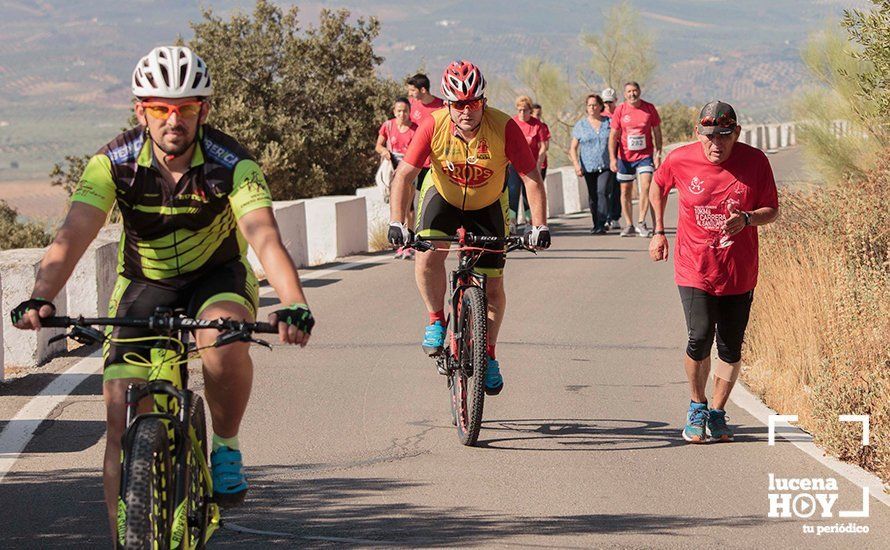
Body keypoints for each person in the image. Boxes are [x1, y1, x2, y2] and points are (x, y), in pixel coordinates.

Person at [10, 46, 316, 539]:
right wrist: (41, 296)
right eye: (160, 108)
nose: (173, 119)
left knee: (222, 338)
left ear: (204, 111)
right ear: (141, 111)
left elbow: (263, 235)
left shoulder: (233, 164)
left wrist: (294, 301)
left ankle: (228, 447)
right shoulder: (111, 164)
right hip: (145, 283)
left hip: (216, 278)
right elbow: (73, 235)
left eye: (186, 108)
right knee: (118, 418)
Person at [387, 60, 551, 396]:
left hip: (488, 203)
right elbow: (404, 176)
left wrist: (539, 226)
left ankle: (488, 354)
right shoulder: (433, 125)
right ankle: (436, 319)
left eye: (473, 103)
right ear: (448, 104)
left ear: (483, 102)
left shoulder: (504, 127)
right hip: (442, 197)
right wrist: (395, 222)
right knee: (429, 254)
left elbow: (531, 177)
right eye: (459, 104)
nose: (466, 111)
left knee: (493, 285)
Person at [649, 100, 779, 443]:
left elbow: (772, 210)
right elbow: (657, 186)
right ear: (697, 133)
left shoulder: (755, 161)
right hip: (695, 266)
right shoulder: (680, 158)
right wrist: (658, 230)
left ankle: (718, 413)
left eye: (723, 136)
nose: (715, 144)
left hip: (739, 269)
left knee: (731, 347)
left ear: (736, 133)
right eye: (708, 136)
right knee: (699, 335)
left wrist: (748, 218)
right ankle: (697, 405)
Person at [609, 81, 662, 238]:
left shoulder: (649, 108)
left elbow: (657, 131)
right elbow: (613, 136)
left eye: (635, 90)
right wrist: (612, 158)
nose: (632, 94)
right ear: (625, 94)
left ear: (639, 91)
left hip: (645, 156)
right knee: (625, 191)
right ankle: (629, 224)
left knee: (645, 186)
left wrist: (658, 153)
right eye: (629, 91)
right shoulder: (620, 110)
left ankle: (641, 222)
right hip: (625, 157)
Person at [376, 97, 418, 259]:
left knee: (408, 206)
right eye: (399, 111)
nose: (402, 114)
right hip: (393, 168)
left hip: (409, 168)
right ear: (394, 112)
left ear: (409, 112)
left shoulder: (415, 129)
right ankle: (399, 242)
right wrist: (385, 152)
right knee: (395, 206)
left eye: (405, 111)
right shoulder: (388, 126)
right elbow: (378, 145)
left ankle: (408, 242)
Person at [569, 94, 612, 234]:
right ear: (586, 108)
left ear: (600, 106)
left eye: (595, 105)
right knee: (593, 196)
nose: (592, 108)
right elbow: (573, 148)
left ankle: (602, 221)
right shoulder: (581, 125)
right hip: (588, 166)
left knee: (602, 191)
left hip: (606, 164)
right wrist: (576, 165)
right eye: (589, 105)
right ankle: (596, 224)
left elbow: (617, 140)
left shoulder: (608, 122)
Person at [507, 95, 549, 231]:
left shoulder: (537, 125)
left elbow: (543, 146)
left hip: (530, 165)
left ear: (529, 110)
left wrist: (538, 164)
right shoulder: (512, 123)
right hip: (513, 165)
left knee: (528, 194)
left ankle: (529, 222)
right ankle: (511, 221)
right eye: (519, 110)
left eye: (524, 110)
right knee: (512, 193)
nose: (522, 113)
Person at [406, 73, 446, 189]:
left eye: (413, 90)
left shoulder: (442, 107)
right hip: (417, 161)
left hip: (437, 162)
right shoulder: (411, 105)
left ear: (423, 90)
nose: (410, 94)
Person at [600, 87, 622, 229]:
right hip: (604, 156)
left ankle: (615, 216)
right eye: (605, 102)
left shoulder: (620, 114)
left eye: (610, 102)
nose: (608, 105)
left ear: (615, 100)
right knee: (604, 189)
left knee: (616, 187)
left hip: (620, 154)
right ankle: (606, 216)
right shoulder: (600, 116)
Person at [531, 103, 552, 181]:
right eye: (537, 114)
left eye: (540, 114)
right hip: (529, 164)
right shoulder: (529, 127)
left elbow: (546, 146)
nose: (538, 117)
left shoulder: (544, 127)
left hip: (541, 164)